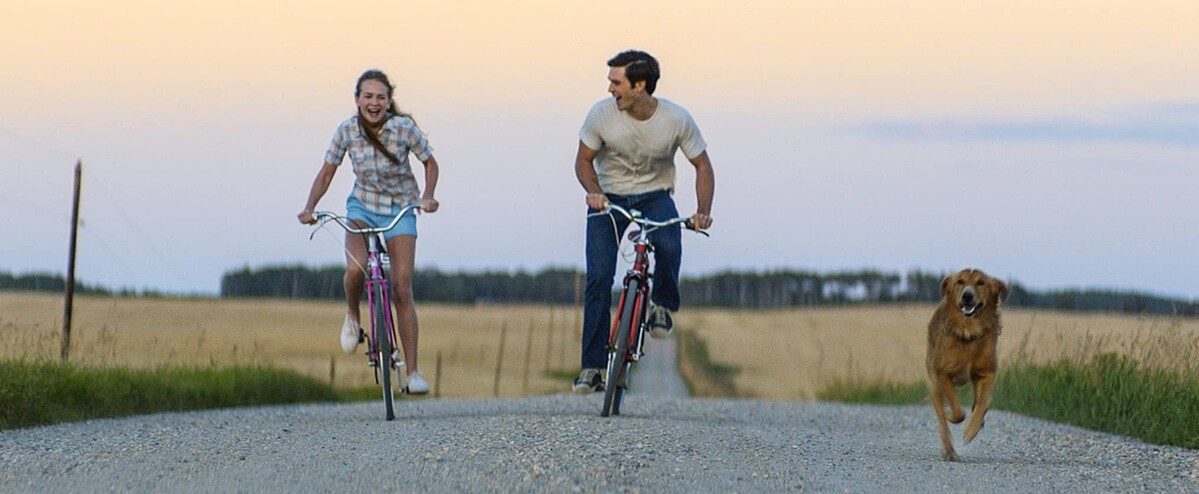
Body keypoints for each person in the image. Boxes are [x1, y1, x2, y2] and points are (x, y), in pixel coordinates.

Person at [571, 50, 715, 393]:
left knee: (668, 242)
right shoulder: (600, 115)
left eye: (616, 83)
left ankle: (662, 305)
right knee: (599, 278)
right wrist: (594, 192)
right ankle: (592, 368)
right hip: (609, 198)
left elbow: (703, 167)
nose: (610, 90)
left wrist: (703, 211)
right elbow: (583, 161)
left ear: (640, 85)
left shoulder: (676, 119)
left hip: (655, 195)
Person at [298, 69, 440, 395]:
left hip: (400, 207)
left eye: (380, 97)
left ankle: (413, 373)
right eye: (368, 96)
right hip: (362, 207)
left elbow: (430, 163)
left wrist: (428, 195)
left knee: (402, 287)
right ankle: (352, 315)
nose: (374, 103)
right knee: (355, 268)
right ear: (357, 99)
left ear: (389, 101)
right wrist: (309, 207)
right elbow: (327, 172)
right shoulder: (346, 131)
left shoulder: (404, 129)